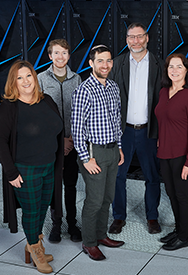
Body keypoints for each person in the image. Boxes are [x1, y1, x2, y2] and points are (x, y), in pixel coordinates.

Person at [0, 60, 63, 274]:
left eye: (28, 76)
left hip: (48, 165)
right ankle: (35, 249)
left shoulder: (47, 100)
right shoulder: (8, 108)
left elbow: (56, 128)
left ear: (35, 77)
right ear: (13, 82)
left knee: (42, 208)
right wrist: (11, 172)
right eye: (19, 78)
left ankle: (33, 244)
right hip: (25, 170)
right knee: (32, 212)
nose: (25, 81)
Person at [108, 22, 163, 235]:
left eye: (139, 37)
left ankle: (152, 217)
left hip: (150, 130)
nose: (136, 41)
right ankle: (118, 217)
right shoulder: (118, 63)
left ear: (147, 38)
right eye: (131, 37)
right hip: (124, 131)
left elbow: (164, 100)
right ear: (126, 40)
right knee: (118, 175)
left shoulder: (159, 64)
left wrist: (161, 133)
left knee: (152, 176)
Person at [71, 45, 125, 261]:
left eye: (108, 60)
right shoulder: (83, 90)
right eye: (100, 61)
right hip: (94, 153)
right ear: (91, 63)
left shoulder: (113, 87)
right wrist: (85, 159)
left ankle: (102, 235)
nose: (105, 65)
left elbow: (116, 119)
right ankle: (89, 242)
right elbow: (76, 128)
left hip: (112, 150)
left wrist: (119, 147)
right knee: (94, 200)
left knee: (107, 197)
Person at [155, 54, 188, 251]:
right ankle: (178, 229)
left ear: (186, 70)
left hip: (182, 155)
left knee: (182, 195)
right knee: (171, 193)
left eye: (178, 66)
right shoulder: (164, 92)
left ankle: (184, 236)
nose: (174, 70)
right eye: (170, 67)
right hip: (164, 153)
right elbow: (162, 119)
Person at [38, 39, 83, 243]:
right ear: (50, 56)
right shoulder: (41, 79)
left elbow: (81, 111)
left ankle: (73, 223)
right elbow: (40, 114)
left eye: (64, 53)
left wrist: (72, 138)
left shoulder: (77, 78)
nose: (60, 57)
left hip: (73, 143)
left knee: (71, 185)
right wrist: (59, 140)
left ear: (69, 56)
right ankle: (56, 223)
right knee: (54, 186)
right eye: (56, 53)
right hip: (51, 144)